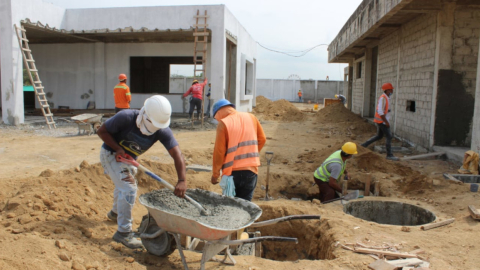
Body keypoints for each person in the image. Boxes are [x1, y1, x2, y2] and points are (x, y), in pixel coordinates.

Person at [97, 95, 187, 249]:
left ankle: (115, 213)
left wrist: (182, 180)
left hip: (129, 159)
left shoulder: (161, 129)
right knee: (128, 187)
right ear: (145, 115)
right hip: (111, 154)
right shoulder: (125, 117)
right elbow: (101, 131)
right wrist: (118, 148)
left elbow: (177, 154)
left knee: (124, 185)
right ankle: (123, 233)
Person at [210, 99, 266, 201]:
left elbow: (219, 151)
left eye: (216, 117)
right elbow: (262, 139)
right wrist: (251, 154)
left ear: (218, 113)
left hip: (232, 173)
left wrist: (215, 175)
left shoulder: (223, 123)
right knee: (245, 207)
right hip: (251, 170)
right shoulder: (251, 117)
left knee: (231, 207)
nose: (217, 119)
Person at [360, 83, 399, 161]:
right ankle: (389, 155)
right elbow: (380, 112)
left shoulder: (387, 97)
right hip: (382, 121)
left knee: (379, 136)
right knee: (389, 136)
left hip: (382, 121)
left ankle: (363, 145)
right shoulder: (383, 98)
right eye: (391, 89)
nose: (392, 90)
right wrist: (386, 122)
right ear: (387, 90)